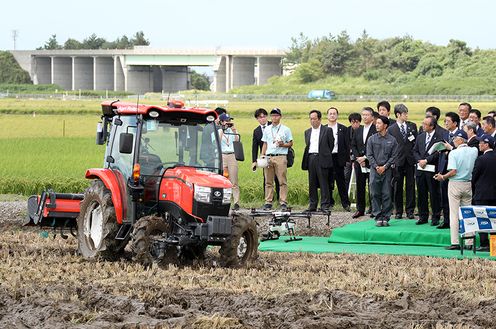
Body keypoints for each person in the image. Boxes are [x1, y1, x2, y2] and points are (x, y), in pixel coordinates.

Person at [434, 130, 478, 250]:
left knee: (454, 214)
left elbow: (453, 171)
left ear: (460, 140)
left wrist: (443, 177)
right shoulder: (474, 151)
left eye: (454, 139)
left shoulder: (453, 154)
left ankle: (455, 242)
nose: (453, 141)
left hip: (455, 184)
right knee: (468, 213)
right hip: (467, 184)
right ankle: (469, 241)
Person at [367, 115, 398, 226]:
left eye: (379, 123)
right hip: (374, 170)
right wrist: (376, 167)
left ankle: (386, 216)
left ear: (385, 125)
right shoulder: (372, 139)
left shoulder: (392, 140)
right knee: (374, 193)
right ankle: (378, 216)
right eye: (376, 123)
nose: (377, 125)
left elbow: (394, 156)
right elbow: (369, 155)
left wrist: (385, 166)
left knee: (386, 193)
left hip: (387, 170)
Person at [388, 104, 418, 219]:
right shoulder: (391, 129)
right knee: (397, 186)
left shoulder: (412, 126)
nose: (406, 116)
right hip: (397, 161)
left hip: (410, 160)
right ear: (398, 115)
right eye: (404, 114)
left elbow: (415, 142)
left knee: (410, 186)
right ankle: (398, 210)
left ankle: (410, 210)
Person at [260, 108, 293, 211]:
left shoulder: (286, 129)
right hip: (269, 156)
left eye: (277, 115)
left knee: (282, 180)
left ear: (280, 116)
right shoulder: (267, 129)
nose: (275, 117)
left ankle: (283, 202)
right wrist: (262, 155)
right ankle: (268, 202)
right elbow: (265, 143)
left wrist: (283, 144)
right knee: (268, 180)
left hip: (281, 156)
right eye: (273, 115)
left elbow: (291, 143)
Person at [301, 110, 334, 212]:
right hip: (311, 158)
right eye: (310, 119)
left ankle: (325, 205)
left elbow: (331, 145)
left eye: (314, 119)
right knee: (312, 183)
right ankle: (312, 205)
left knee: (324, 182)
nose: (312, 121)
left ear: (319, 119)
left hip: (322, 158)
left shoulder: (327, 130)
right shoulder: (307, 132)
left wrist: (324, 154)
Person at [413, 116, 443, 226]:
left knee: (434, 193)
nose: (423, 126)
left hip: (432, 169)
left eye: (425, 124)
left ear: (432, 126)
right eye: (423, 123)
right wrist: (419, 160)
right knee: (421, 193)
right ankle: (423, 216)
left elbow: (438, 153)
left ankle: (435, 216)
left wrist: (426, 160)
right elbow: (415, 150)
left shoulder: (439, 137)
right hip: (420, 169)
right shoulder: (420, 137)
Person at [437, 111, 462, 229]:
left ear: (455, 123)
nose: (445, 123)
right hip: (443, 169)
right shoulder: (445, 134)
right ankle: (446, 220)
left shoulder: (460, 135)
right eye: (445, 121)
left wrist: (450, 148)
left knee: (455, 199)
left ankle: (456, 222)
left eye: (448, 121)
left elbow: (461, 152)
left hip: (454, 171)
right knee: (444, 197)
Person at [471, 134, 496, 252]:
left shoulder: (481, 159)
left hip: (482, 194)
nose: (479, 145)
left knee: (482, 219)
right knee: (494, 219)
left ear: (487, 145)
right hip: (494, 194)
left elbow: (474, 176)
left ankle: (484, 243)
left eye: (481, 143)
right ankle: (494, 244)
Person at [351, 107, 376, 218]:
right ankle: (360, 209)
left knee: (372, 186)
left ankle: (374, 209)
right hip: (359, 163)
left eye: (367, 115)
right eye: (363, 115)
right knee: (360, 186)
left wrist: (365, 158)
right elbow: (353, 145)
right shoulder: (358, 130)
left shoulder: (375, 130)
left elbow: (376, 147)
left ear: (372, 117)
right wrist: (358, 158)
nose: (365, 117)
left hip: (371, 162)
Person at [326, 107, 351, 211]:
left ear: (337, 115)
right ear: (327, 115)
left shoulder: (343, 128)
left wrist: (346, 159)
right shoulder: (323, 128)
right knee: (327, 181)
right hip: (327, 158)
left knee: (341, 181)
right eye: (330, 113)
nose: (332, 115)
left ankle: (345, 203)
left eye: (334, 113)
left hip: (338, 158)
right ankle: (329, 202)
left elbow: (347, 145)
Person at [251, 108, 280, 199]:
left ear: (267, 117)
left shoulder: (274, 126)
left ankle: (280, 199)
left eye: (264, 117)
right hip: (264, 157)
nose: (262, 119)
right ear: (257, 119)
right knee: (266, 178)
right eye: (260, 117)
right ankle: (267, 199)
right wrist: (254, 161)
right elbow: (254, 147)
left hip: (276, 155)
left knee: (278, 178)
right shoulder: (256, 131)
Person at [218, 113, 241, 210]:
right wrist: (222, 131)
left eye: (229, 121)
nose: (228, 123)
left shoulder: (233, 131)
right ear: (222, 122)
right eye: (226, 121)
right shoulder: (218, 131)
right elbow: (216, 142)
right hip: (222, 155)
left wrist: (234, 130)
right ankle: (222, 201)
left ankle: (236, 202)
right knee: (221, 180)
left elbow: (237, 141)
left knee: (234, 180)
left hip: (232, 155)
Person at [344, 113, 362, 195]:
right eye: (353, 122)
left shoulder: (362, 130)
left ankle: (359, 197)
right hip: (348, 158)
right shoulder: (347, 131)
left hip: (360, 158)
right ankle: (346, 196)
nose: (355, 124)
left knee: (360, 178)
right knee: (346, 177)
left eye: (357, 122)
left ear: (360, 122)